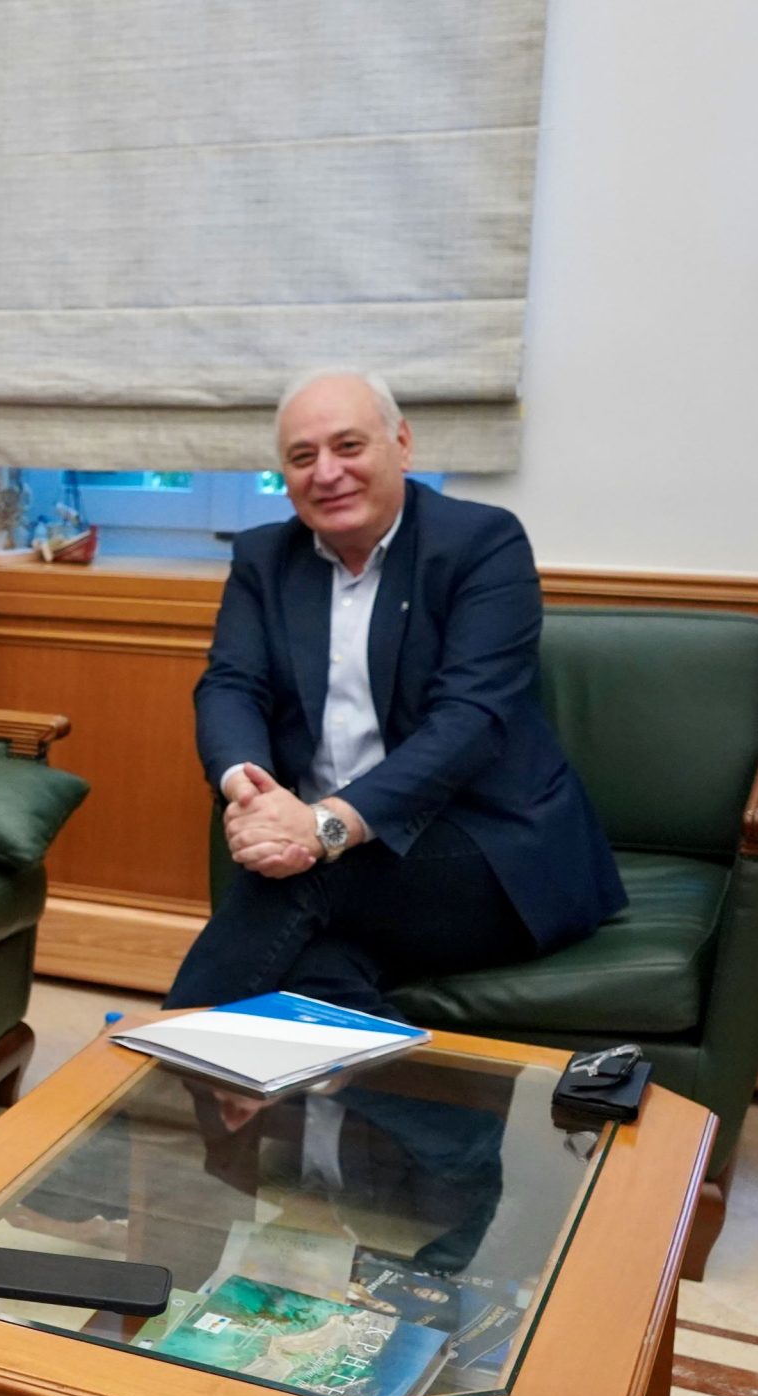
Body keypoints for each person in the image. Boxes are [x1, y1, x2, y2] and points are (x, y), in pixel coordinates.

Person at [165, 369, 626, 1021]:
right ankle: (411, 1089)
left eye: (348, 446)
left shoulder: (481, 543)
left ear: (402, 445)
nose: (327, 472)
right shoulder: (264, 557)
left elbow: (469, 722)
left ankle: (160, 1053)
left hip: (490, 849)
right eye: (302, 456)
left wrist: (322, 826)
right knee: (319, 973)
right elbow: (230, 685)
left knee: (299, 882)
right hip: (338, 861)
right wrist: (251, 791)